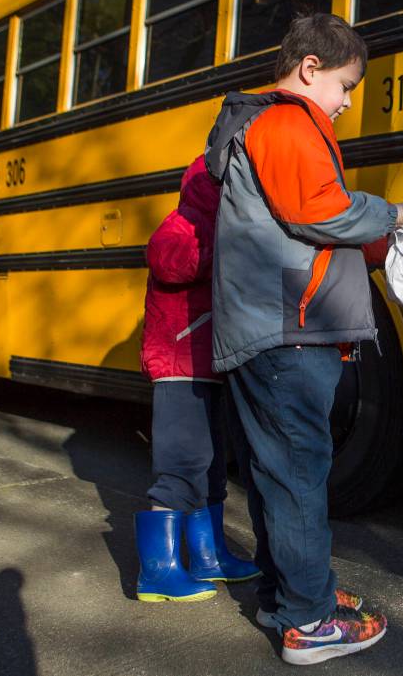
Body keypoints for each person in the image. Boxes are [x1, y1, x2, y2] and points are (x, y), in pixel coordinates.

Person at [202, 12, 403, 666]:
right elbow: (321, 209)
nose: (348, 100)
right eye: (345, 84)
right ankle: (308, 621)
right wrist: (397, 212)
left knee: (280, 475)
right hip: (290, 332)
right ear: (310, 69)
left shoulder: (266, 125)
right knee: (300, 475)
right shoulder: (287, 122)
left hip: (274, 327)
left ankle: (293, 595)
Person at [135, 156, 261, 603]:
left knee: (209, 470)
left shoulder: (213, 221)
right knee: (180, 469)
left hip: (208, 365)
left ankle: (210, 556)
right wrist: (224, 247)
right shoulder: (185, 222)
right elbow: (168, 262)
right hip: (179, 366)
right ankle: (158, 572)